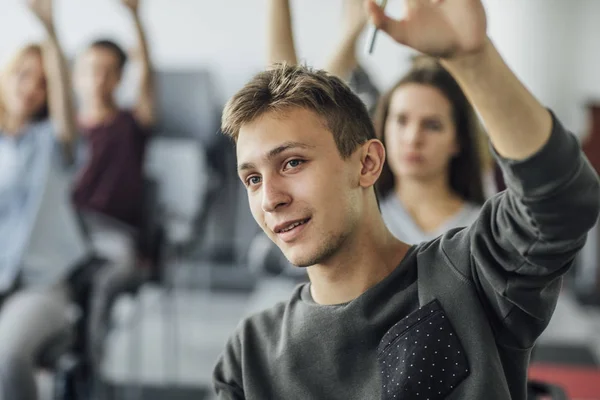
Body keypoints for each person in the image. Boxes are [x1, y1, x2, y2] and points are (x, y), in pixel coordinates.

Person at [212, 1, 600, 400]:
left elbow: (561, 202)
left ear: (367, 163)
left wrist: (473, 61)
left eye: (293, 163)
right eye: (253, 178)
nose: (270, 198)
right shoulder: (249, 356)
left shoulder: (470, 278)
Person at [0, 0, 85, 398]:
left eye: (43, 82)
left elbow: (66, 114)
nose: (32, 88)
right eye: (22, 75)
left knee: (6, 357)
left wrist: (51, 31)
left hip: (41, 286)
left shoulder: (53, 143)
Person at [70, 0, 155, 370]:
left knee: (101, 284)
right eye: (90, 70)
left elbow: (149, 78)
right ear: (75, 76)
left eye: (108, 71)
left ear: (120, 78)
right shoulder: (66, 131)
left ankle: (88, 369)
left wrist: (136, 18)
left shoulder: (129, 124)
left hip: (117, 238)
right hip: (72, 234)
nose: (98, 79)